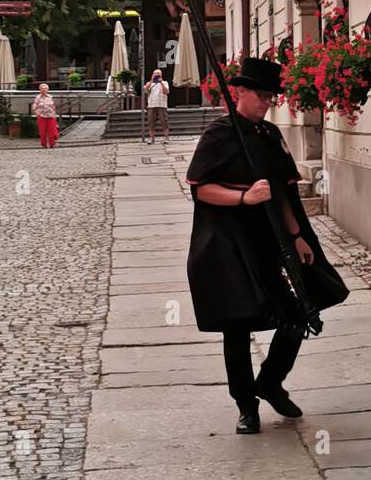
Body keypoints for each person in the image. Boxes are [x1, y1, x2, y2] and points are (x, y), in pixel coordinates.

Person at [185, 57, 349, 434]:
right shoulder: (220, 134)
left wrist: (297, 236)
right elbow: (201, 189)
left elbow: (283, 193)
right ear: (239, 92)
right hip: (227, 244)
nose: (265, 102)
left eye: (270, 96)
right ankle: (246, 405)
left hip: (267, 240)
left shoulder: (269, 135)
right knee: (237, 327)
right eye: (260, 95)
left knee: (298, 314)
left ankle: (271, 382)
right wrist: (244, 198)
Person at [145, 68, 169, 144]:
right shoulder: (149, 83)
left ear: (161, 75)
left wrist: (161, 82)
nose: (157, 75)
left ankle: (166, 138)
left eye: (158, 74)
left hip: (162, 104)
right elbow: (145, 90)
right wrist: (152, 81)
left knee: (164, 121)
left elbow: (166, 91)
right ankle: (151, 138)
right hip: (151, 105)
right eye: (155, 74)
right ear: (152, 74)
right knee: (151, 122)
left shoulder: (165, 82)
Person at [31, 82, 58, 148]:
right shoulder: (38, 97)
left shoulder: (50, 96)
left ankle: (52, 144)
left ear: (47, 89)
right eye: (42, 88)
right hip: (42, 116)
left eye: (45, 88)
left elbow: (53, 106)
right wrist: (36, 113)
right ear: (40, 89)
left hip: (50, 116)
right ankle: (44, 144)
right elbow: (34, 106)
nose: (44, 90)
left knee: (51, 131)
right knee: (42, 132)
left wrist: (54, 114)